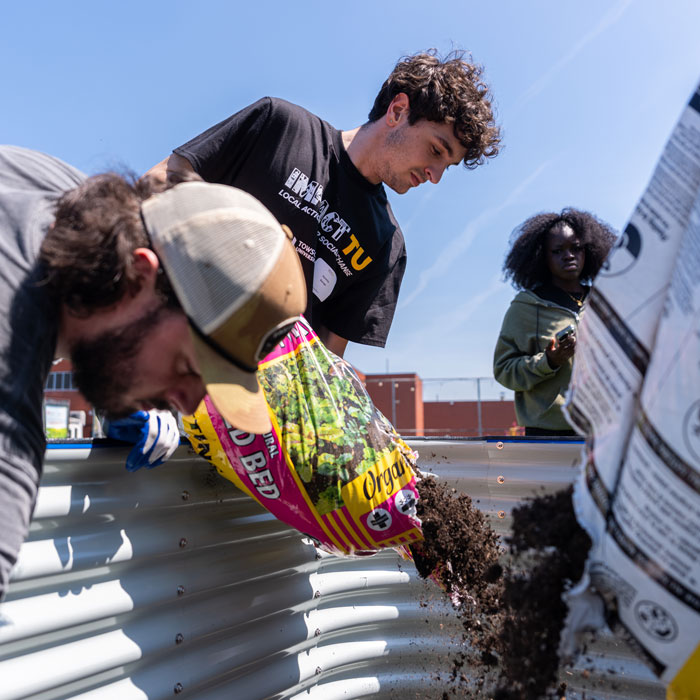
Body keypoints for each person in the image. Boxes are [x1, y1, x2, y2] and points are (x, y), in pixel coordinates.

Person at [0, 145, 306, 601]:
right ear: (141, 273)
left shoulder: (71, 208)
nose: (183, 404)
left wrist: (117, 391)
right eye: (187, 366)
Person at [146, 49, 501, 358]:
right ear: (397, 110)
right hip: (164, 351)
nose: (435, 175)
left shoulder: (387, 245)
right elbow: (158, 183)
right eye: (436, 150)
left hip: (251, 412)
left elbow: (327, 363)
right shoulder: (279, 126)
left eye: (447, 165)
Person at [493, 209, 616, 436]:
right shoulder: (526, 307)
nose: (569, 256)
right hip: (548, 434)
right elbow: (504, 370)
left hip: (603, 430)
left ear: (588, 250)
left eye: (576, 248)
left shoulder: (606, 301)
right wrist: (548, 361)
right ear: (543, 257)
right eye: (557, 251)